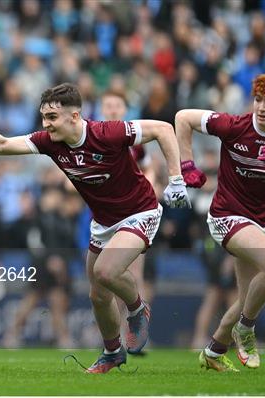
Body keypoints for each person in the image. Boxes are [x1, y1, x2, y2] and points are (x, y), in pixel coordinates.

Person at [0, 83, 191, 373]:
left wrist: (176, 179)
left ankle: (136, 308)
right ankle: (112, 352)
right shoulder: (49, 141)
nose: (46, 124)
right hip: (103, 222)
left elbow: (164, 129)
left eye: (52, 117)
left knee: (106, 271)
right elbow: (2, 146)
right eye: (44, 117)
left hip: (140, 212)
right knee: (97, 295)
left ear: (75, 116)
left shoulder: (108, 132)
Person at [175, 70, 265, 371]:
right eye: (258, 99)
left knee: (246, 298)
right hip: (225, 215)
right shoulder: (234, 125)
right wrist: (186, 165)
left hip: (259, 223)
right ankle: (246, 331)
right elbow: (183, 118)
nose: (261, 107)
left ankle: (213, 350)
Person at [100, 90, 157, 345]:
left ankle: (135, 334)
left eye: (117, 105)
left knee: (133, 275)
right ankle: (112, 335)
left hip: (133, 216)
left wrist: (151, 185)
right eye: (108, 105)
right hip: (102, 218)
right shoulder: (94, 135)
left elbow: (148, 168)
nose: (112, 109)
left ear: (124, 109)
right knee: (102, 279)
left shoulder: (133, 139)